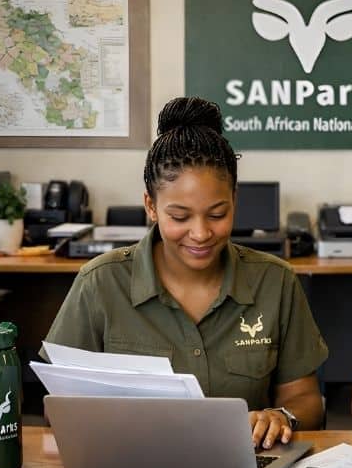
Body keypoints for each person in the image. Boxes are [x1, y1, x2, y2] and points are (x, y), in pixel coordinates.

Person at [47, 96, 327, 448]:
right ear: (151, 206)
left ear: (235, 200)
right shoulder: (100, 283)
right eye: (180, 217)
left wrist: (280, 416)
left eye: (217, 214)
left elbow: (307, 400)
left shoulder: (276, 281)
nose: (200, 233)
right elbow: (56, 407)